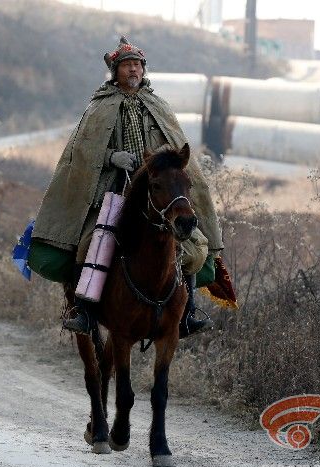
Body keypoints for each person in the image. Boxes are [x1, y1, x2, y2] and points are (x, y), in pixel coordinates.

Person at [29, 36, 224, 336]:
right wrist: (110, 156)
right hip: (113, 192)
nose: (133, 70)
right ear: (115, 71)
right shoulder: (99, 108)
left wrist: (161, 168)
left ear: (143, 70)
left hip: (157, 193)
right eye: (127, 65)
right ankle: (85, 310)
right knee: (89, 245)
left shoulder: (158, 106)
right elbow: (81, 152)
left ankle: (188, 312)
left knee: (193, 245)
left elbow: (175, 149)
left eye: (137, 65)